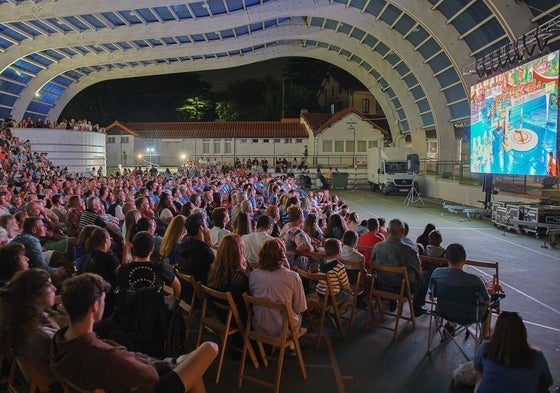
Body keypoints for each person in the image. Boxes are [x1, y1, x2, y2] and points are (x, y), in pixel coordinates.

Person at [51, 273, 219, 393]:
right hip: (152, 385)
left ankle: (178, 360)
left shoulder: (60, 340)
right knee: (210, 348)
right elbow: (150, 377)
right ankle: (177, 360)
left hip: (128, 377)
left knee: (191, 366)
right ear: (94, 306)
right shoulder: (107, 355)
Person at [0, 269, 62, 392]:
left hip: (40, 380)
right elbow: (66, 369)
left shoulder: (19, 320)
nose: (54, 288)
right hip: (59, 386)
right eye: (49, 285)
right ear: (35, 295)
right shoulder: (39, 334)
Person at [474, 311, 553, 393]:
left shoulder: (485, 348)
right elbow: (547, 382)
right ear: (522, 332)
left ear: (496, 331)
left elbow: (478, 368)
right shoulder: (537, 358)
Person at [249, 238, 307, 338]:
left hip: (259, 326)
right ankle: (292, 345)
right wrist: (288, 269)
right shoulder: (292, 276)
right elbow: (300, 307)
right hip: (284, 330)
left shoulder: (254, 274)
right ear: (282, 255)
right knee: (300, 314)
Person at [371, 218, 428, 316]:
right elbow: (419, 271)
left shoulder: (377, 247)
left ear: (388, 231)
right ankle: (417, 307)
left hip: (380, 285)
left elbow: (372, 265)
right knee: (426, 275)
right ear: (403, 231)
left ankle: (392, 300)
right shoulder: (409, 250)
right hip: (401, 289)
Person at [316, 239, 352, 312]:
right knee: (351, 297)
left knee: (339, 290)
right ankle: (337, 313)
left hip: (320, 293)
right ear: (339, 252)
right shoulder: (339, 266)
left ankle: (331, 312)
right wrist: (349, 290)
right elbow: (345, 284)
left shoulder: (321, 263)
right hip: (332, 296)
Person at [178, 213, 214, 284]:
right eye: (205, 223)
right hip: (199, 290)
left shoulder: (184, 245)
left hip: (185, 287)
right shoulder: (205, 251)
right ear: (201, 227)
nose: (207, 226)